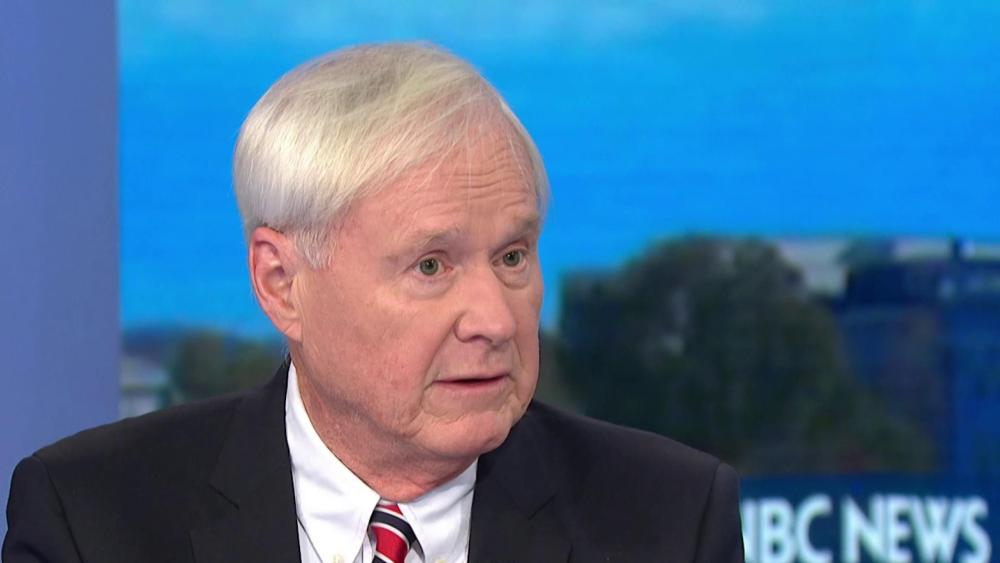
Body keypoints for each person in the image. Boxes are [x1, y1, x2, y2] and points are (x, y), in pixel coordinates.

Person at [3, 42, 743, 562]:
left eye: (513, 256)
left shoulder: (669, 518)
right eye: (431, 265)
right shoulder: (91, 522)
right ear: (281, 283)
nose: (495, 321)